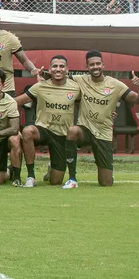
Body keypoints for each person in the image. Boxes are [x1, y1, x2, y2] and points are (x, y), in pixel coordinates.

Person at [68, 51, 139, 187]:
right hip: (85, 128)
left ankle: (107, 173)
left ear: (103, 65)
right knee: (72, 131)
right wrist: (39, 73)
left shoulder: (116, 84)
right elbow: (59, 76)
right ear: (87, 67)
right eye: (92, 64)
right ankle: (72, 178)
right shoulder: (80, 79)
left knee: (106, 183)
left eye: (98, 64)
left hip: (103, 132)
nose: (95, 67)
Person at [14, 55, 81, 188]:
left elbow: (86, 105)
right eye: (55, 66)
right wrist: (15, 126)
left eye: (62, 66)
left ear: (67, 69)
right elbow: (15, 102)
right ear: (49, 69)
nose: (58, 69)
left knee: (56, 181)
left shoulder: (75, 88)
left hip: (62, 135)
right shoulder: (40, 87)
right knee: (28, 131)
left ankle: (51, 170)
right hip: (43, 130)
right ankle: (31, 176)